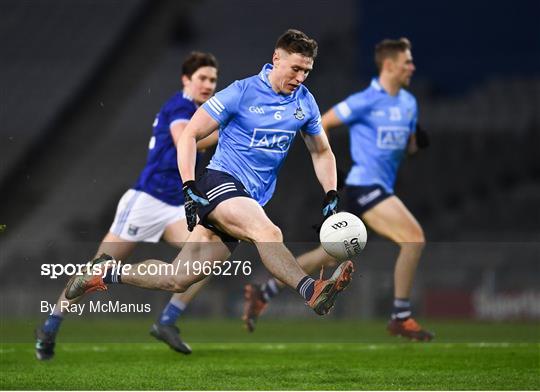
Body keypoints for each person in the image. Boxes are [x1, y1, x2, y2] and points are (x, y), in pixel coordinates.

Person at [63, 29, 354, 320]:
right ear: (277, 59)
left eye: (306, 71)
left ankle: (103, 274)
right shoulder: (240, 93)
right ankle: (311, 290)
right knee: (269, 232)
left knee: (177, 278)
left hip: (249, 199)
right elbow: (190, 134)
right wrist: (189, 185)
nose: (301, 77)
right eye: (296, 69)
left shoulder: (305, 102)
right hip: (221, 183)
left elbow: (320, 152)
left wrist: (330, 192)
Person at [242, 38, 434, 341]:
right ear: (389, 65)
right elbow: (324, 123)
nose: (412, 66)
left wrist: (415, 143)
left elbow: (406, 146)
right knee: (414, 239)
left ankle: (265, 290)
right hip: (364, 185)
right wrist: (335, 170)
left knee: (327, 255)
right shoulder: (365, 100)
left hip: (379, 186)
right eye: (406, 61)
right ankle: (400, 316)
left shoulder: (409, 104)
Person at [35, 52, 220, 360]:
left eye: (213, 79)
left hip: (175, 205)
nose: (208, 84)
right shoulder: (180, 106)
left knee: (206, 259)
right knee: (97, 265)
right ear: (186, 79)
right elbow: (185, 141)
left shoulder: (200, 111)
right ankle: (51, 325)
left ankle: (167, 322)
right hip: (146, 201)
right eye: (202, 78)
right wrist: (229, 130)